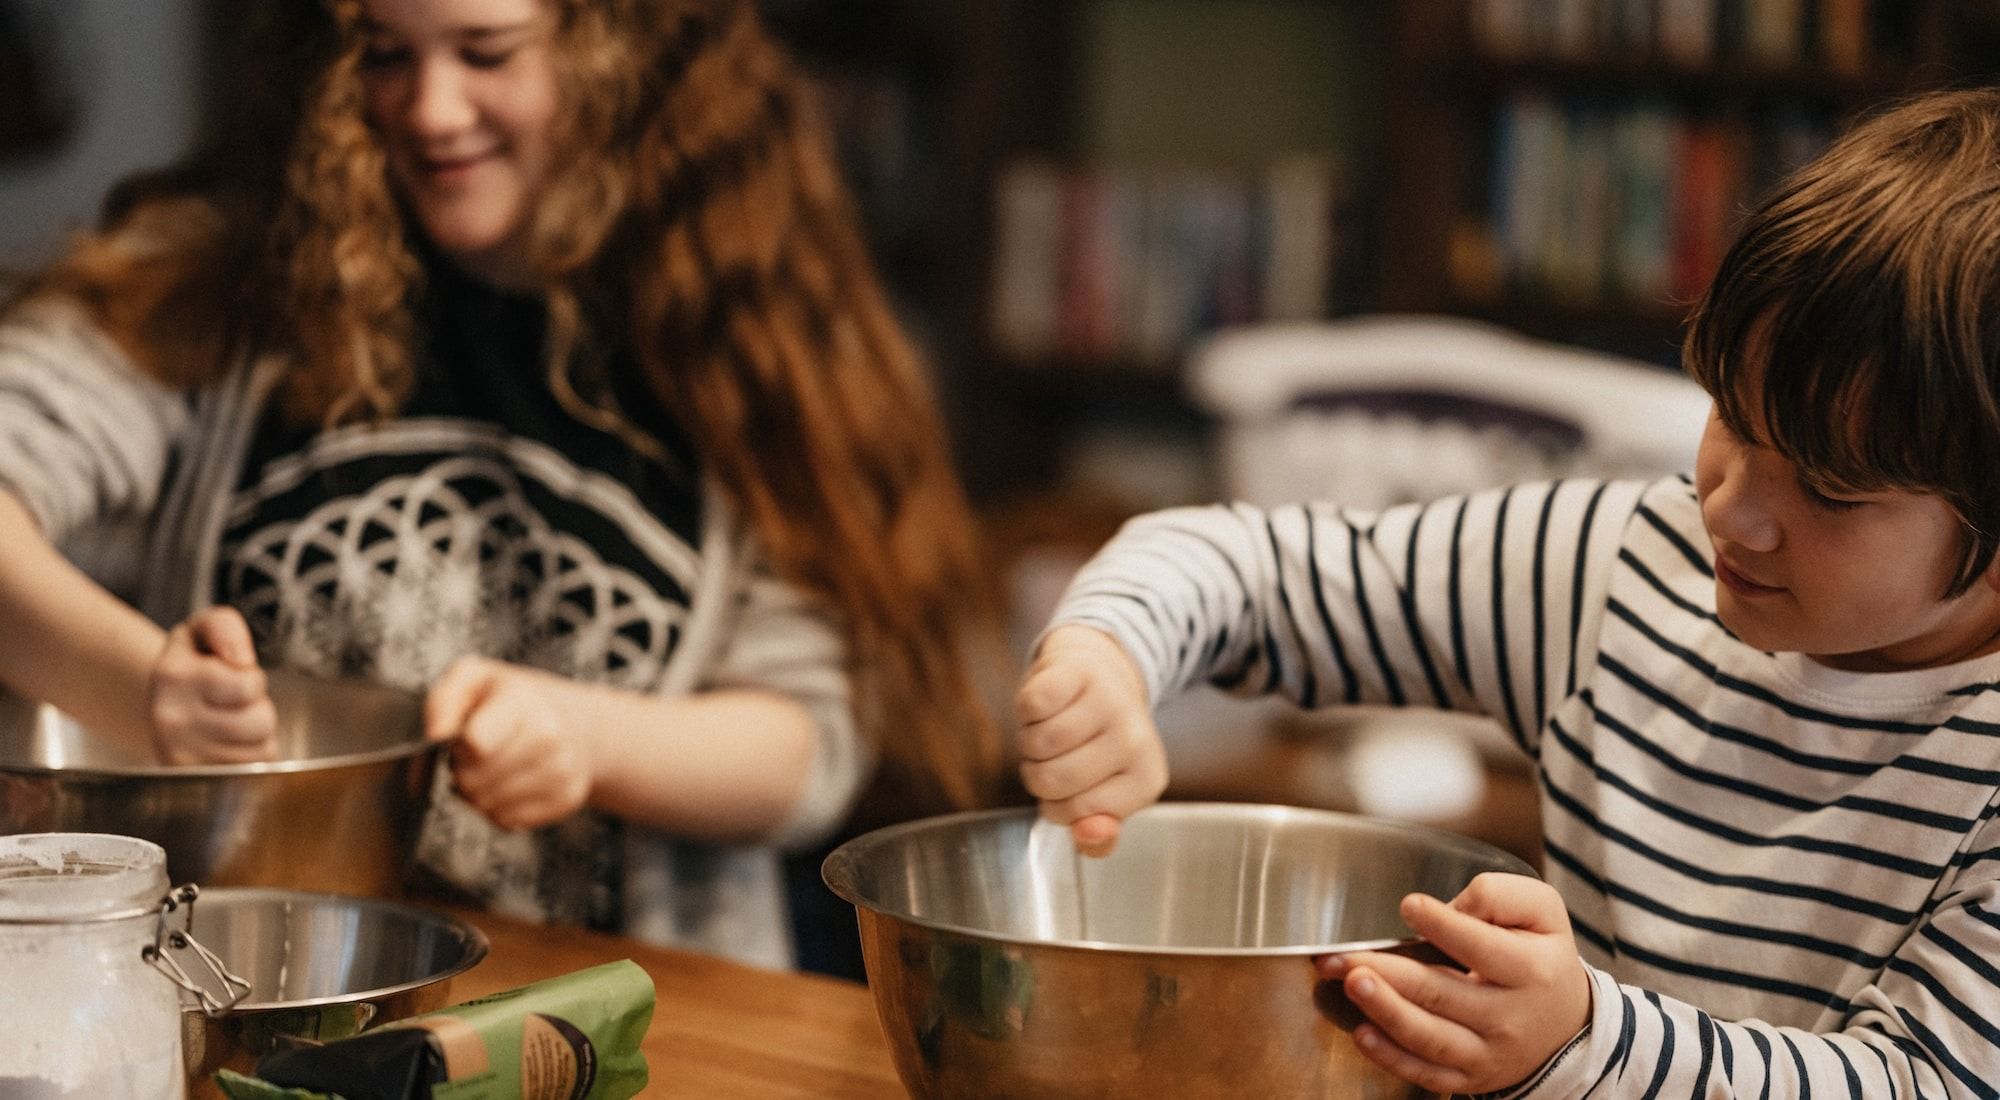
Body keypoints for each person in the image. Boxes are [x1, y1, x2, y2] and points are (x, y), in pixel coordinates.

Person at [1016, 87, 2000, 1096]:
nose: (1731, 511)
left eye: (1830, 491)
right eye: (1732, 422)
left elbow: (1921, 1084)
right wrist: (1108, 649)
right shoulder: (1620, 564)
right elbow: (1246, 567)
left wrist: (1580, 1040)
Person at [0, 0, 1002, 970]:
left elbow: (806, 747)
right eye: (386, 53)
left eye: (486, 52)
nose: (430, 109)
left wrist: (588, 736)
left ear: (619, 51)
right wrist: (143, 688)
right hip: (234, 981)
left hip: (619, 1015)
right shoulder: (216, 282)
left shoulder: (740, 333)